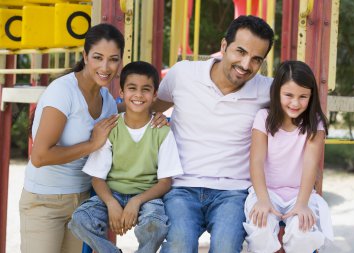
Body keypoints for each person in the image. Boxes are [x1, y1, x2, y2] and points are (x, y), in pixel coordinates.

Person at [154, 15, 274, 253]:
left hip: (233, 191)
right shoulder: (183, 74)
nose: (246, 64)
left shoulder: (267, 90)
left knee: (226, 247)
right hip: (181, 186)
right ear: (223, 46)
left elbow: (303, 114)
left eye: (256, 59)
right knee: (179, 243)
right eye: (240, 51)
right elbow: (147, 106)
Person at [19, 23, 125, 253]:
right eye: (98, 57)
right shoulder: (63, 91)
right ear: (85, 56)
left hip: (82, 203)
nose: (105, 67)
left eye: (113, 59)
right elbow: (39, 156)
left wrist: (157, 118)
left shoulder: (108, 103)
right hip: (44, 202)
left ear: (120, 62)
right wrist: (91, 144)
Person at [68, 61, 183, 253]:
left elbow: (165, 182)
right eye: (132, 88)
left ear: (155, 95)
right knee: (80, 220)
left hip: (147, 196)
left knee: (155, 226)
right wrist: (111, 203)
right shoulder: (111, 128)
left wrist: (136, 201)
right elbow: (97, 177)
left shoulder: (162, 131)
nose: (138, 95)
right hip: (112, 193)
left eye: (145, 89)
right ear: (121, 93)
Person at [243, 61, 334, 253]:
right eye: (289, 95)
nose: (295, 103)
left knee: (302, 233)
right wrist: (262, 199)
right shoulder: (264, 118)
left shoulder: (314, 123)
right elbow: (256, 162)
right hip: (266, 191)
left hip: (300, 193)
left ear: (311, 96)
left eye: (303, 97)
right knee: (260, 231)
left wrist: (302, 204)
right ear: (277, 93)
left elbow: (311, 165)